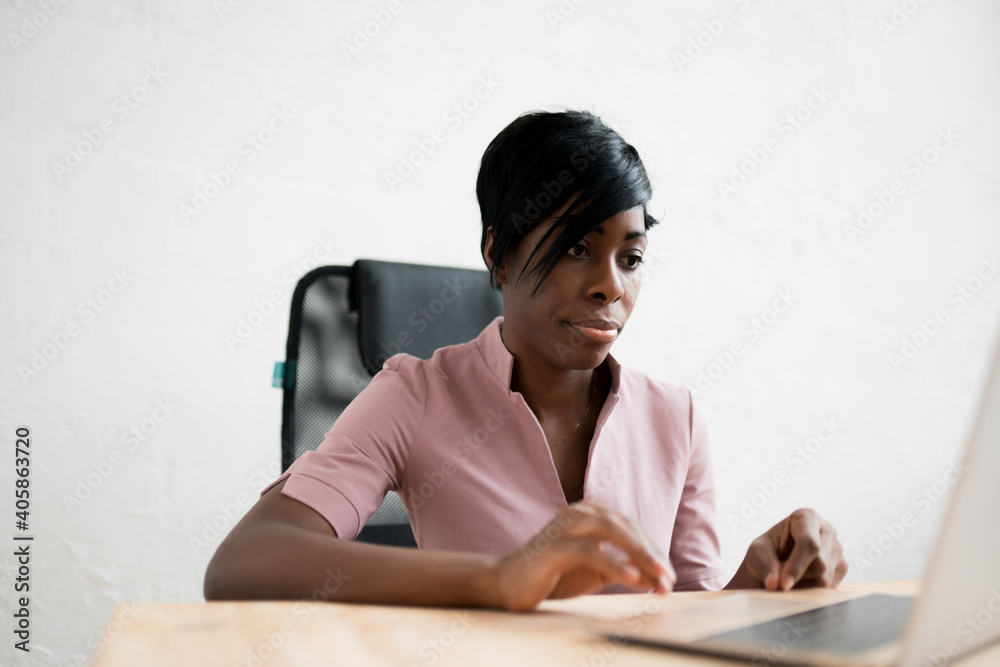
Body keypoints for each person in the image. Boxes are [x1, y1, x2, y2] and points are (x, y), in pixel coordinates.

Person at [204, 109, 847, 612]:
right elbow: (245, 561)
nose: (611, 286)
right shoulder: (414, 396)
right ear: (499, 254)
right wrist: (499, 578)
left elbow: (687, 615)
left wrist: (759, 584)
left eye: (631, 257)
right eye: (576, 248)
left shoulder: (674, 417)